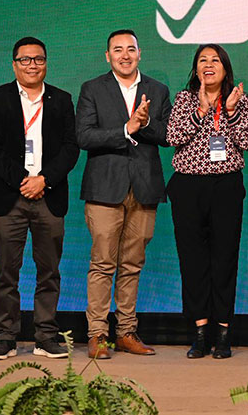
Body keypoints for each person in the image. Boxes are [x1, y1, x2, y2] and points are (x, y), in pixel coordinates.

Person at [0, 37, 79, 360]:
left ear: (46, 63)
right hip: (9, 196)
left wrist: (44, 180)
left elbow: (70, 148)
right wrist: (23, 181)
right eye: (25, 60)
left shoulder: (61, 99)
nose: (32, 65)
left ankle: (46, 336)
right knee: (7, 270)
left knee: (49, 271)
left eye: (38, 59)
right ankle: (5, 336)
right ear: (14, 64)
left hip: (48, 196)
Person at [76, 29, 171, 359]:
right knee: (103, 264)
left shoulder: (157, 90)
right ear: (108, 56)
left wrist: (144, 124)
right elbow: (84, 136)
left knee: (132, 265)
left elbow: (167, 135)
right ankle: (97, 335)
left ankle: (126, 332)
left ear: (140, 53)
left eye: (131, 49)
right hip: (105, 189)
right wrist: (125, 129)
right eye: (118, 50)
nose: (125, 55)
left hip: (143, 189)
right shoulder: (92, 89)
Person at [166, 44, 248, 359]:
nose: (208, 64)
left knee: (224, 259)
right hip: (188, 187)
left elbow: (246, 141)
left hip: (226, 188)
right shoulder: (184, 99)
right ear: (195, 69)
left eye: (215, 60)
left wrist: (229, 112)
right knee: (193, 261)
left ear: (226, 68)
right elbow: (173, 137)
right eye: (202, 60)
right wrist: (200, 111)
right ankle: (200, 331)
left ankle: (224, 332)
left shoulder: (239, 101)